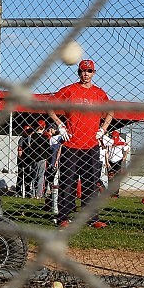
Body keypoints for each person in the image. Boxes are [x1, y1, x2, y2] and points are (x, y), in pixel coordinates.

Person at [48, 59, 113, 229]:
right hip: (71, 145)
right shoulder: (70, 90)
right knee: (67, 182)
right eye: (83, 71)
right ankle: (63, 217)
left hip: (91, 146)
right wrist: (60, 125)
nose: (86, 74)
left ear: (94, 73)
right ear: (79, 72)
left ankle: (91, 218)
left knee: (91, 183)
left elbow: (111, 111)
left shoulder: (99, 93)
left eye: (89, 71)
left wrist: (103, 129)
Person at [103, 130, 130, 197]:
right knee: (110, 176)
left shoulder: (122, 140)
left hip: (118, 160)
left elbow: (126, 148)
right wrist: (106, 161)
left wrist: (125, 156)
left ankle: (116, 193)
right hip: (110, 160)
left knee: (117, 177)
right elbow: (106, 151)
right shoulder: (109, 140)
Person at [16, 124, 35, 197]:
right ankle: (18, 191)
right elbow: (20, 150)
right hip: (22, 159)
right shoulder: (22, 139)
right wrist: (22, 159)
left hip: (28, 159)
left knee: (28, 175)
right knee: (20, 175)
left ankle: (27, 190)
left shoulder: (31, 138)